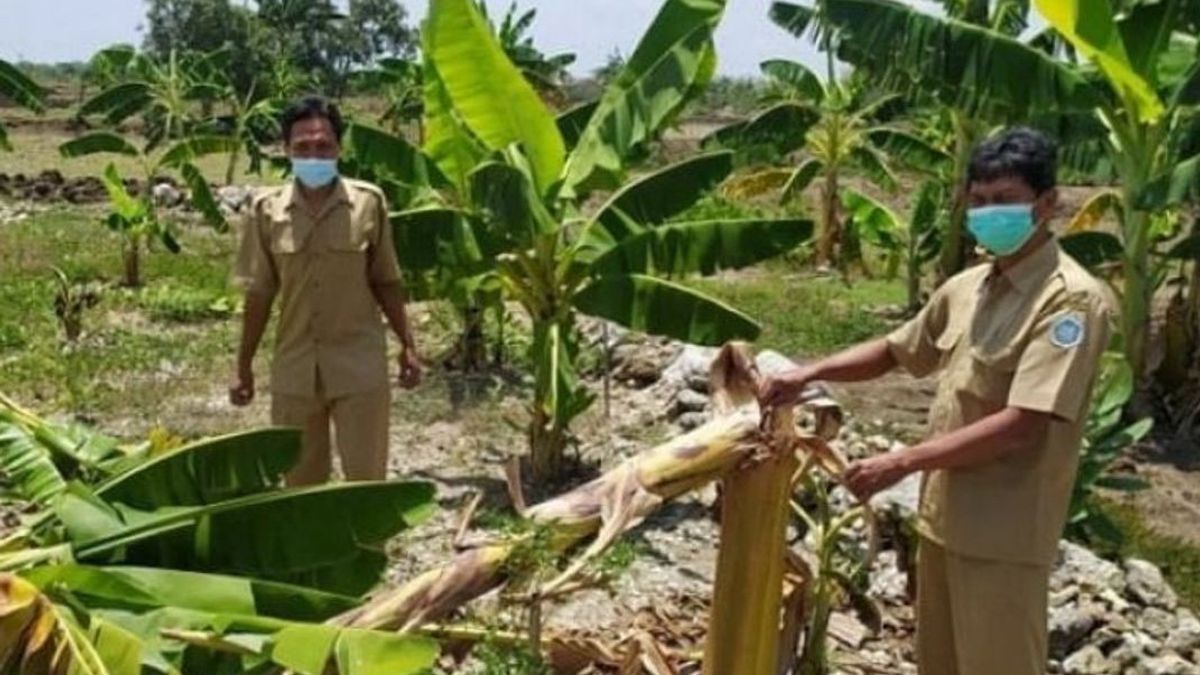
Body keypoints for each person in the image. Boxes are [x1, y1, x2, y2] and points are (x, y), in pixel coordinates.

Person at [760, 127, 1113, 675]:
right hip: (943, 522)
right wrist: (810, 372)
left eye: (1005, 201)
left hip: (1004, 535)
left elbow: (1025, 423)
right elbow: (897, 351)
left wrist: (900, 462)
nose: (988, 213)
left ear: (1047, 204)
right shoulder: (970, 286)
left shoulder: (1069, 302)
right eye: (978, 201)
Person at [230, 95, 422, 486]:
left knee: (366, 482)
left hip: (359, 367)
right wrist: (243, 366)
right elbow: (260, 293)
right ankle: (313, 551)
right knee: (301, 484)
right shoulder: (266, 211)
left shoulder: (368, 203)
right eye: (302, 147)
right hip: (294, 369)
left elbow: (386, 279)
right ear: (286, 150)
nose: (313, 155)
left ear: (339, 147)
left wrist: (409, 344)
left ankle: (370, 549)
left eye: (323, 145)